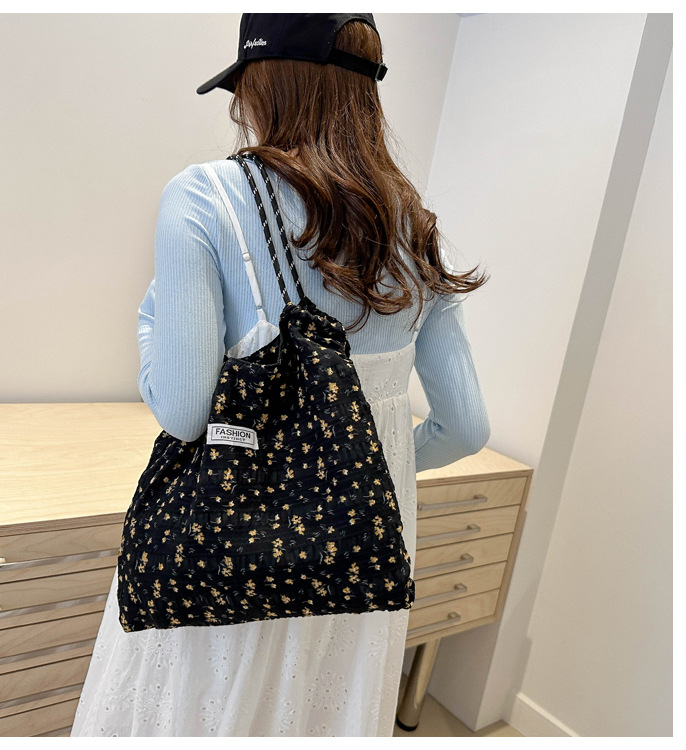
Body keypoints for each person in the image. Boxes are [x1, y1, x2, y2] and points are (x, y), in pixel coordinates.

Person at [71, 13, 490, 737]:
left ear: (263, 87)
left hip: (236, 550)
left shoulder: (205, 196)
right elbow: (467, 428)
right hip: (358, 555)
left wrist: (149, 323)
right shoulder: (413, 224)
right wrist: (354, 469)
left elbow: (183, 411)